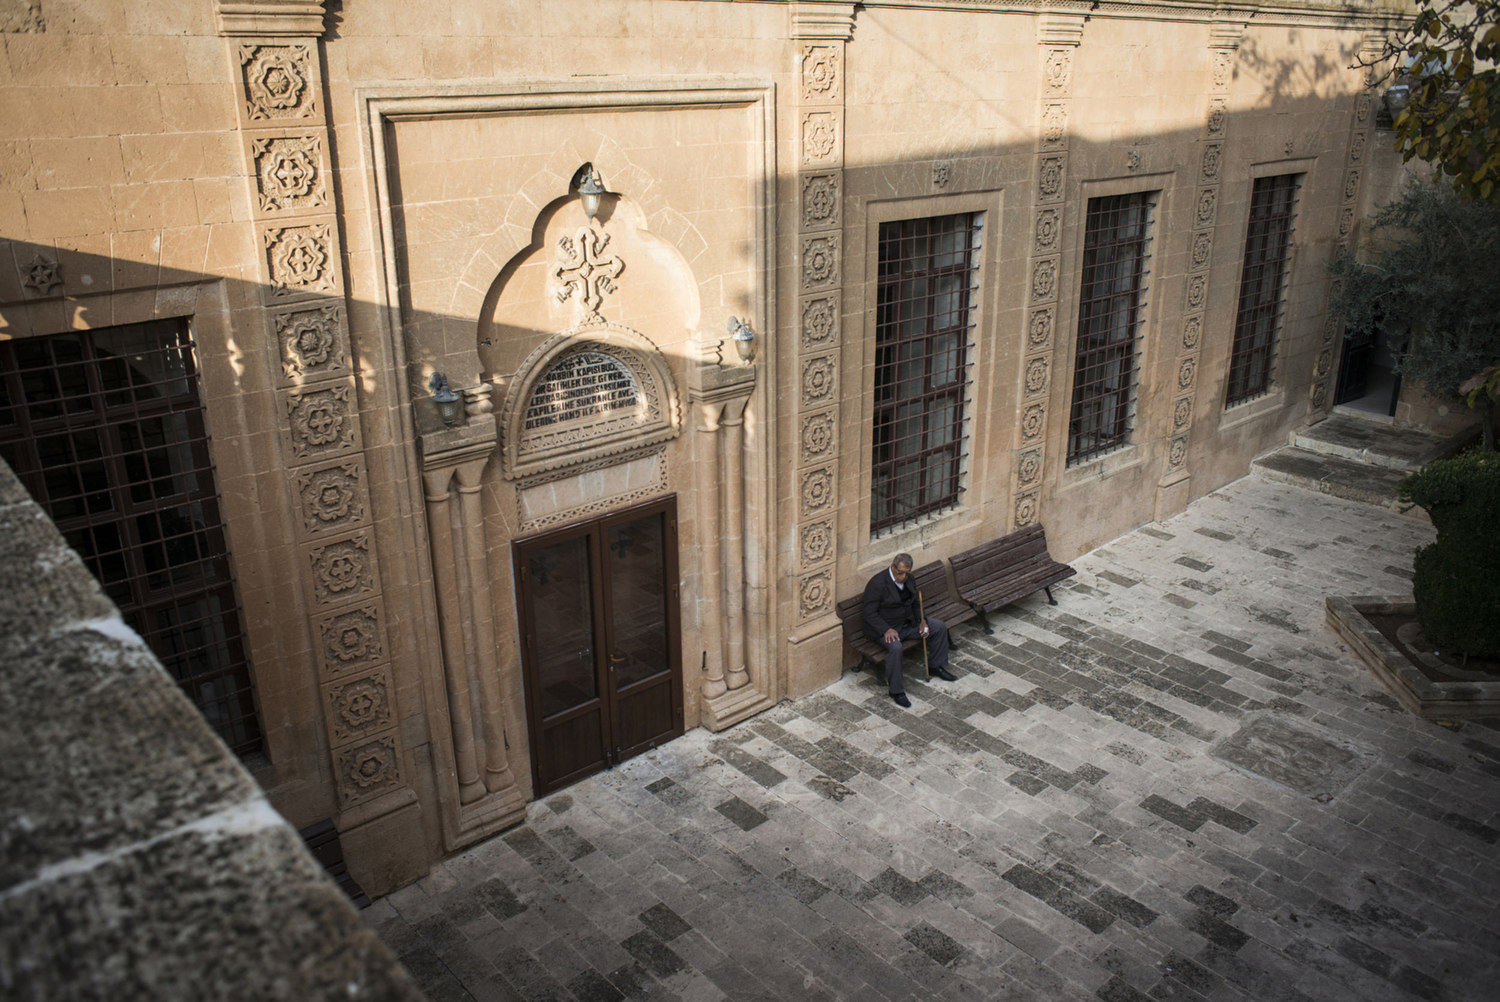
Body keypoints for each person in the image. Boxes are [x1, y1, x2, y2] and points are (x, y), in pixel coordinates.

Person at [862, 553, 954, 708]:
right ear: (893, 567)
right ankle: (896, 691)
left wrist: (922, 621)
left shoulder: (909, 579)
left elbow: (916, 603)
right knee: (895, 647)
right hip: (885, 629)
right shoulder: (877, 584)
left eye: (906, 573)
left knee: (938, 627)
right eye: (900, 573)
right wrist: (886, 629)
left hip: (908, 624)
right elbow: (869, 613)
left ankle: (935, 665)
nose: (903, 577)